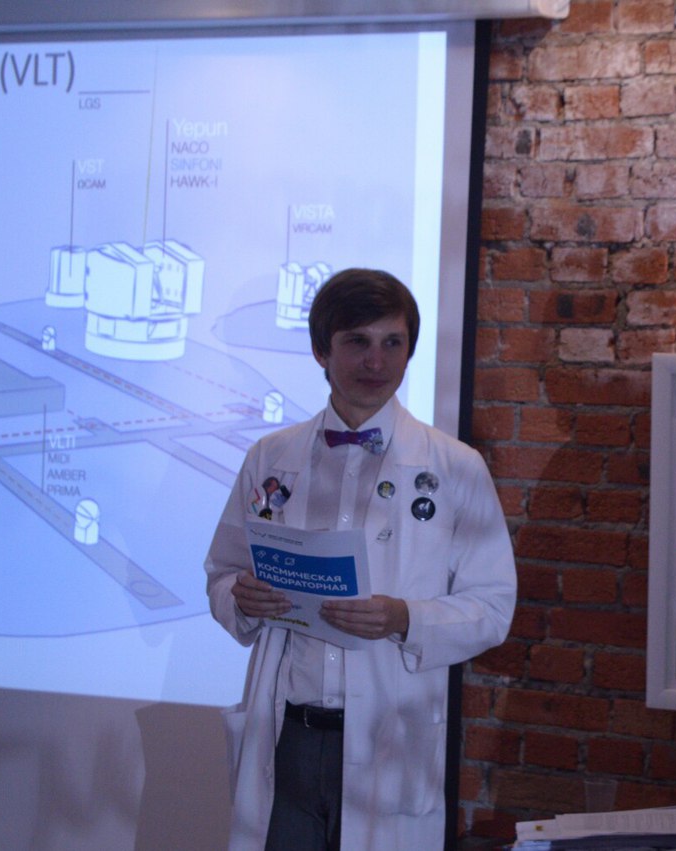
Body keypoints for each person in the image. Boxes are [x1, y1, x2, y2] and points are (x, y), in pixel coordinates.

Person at [205, 268, 517, 851]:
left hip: (389, 737)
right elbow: (222, 573)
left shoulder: (455, 467)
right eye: (357, 342)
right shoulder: (270, 456)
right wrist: (240, 598)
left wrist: (405, 618)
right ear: (322, 351)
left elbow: (494, 606)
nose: (376, 361)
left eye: (392, 343)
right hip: (287, 738)